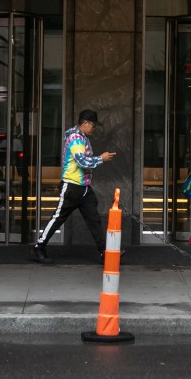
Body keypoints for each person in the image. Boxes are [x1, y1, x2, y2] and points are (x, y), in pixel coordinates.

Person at [32, 109, 116, 265]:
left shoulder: (80, 136)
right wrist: (101, 159)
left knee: (94, 219)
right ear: (85, 123)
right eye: (93, 125)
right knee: (58, 218)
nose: (94, 128)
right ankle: (39, 247)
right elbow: (82, 161)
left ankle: (104, 252)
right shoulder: (76, 139)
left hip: (83, 186)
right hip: (72, 186)